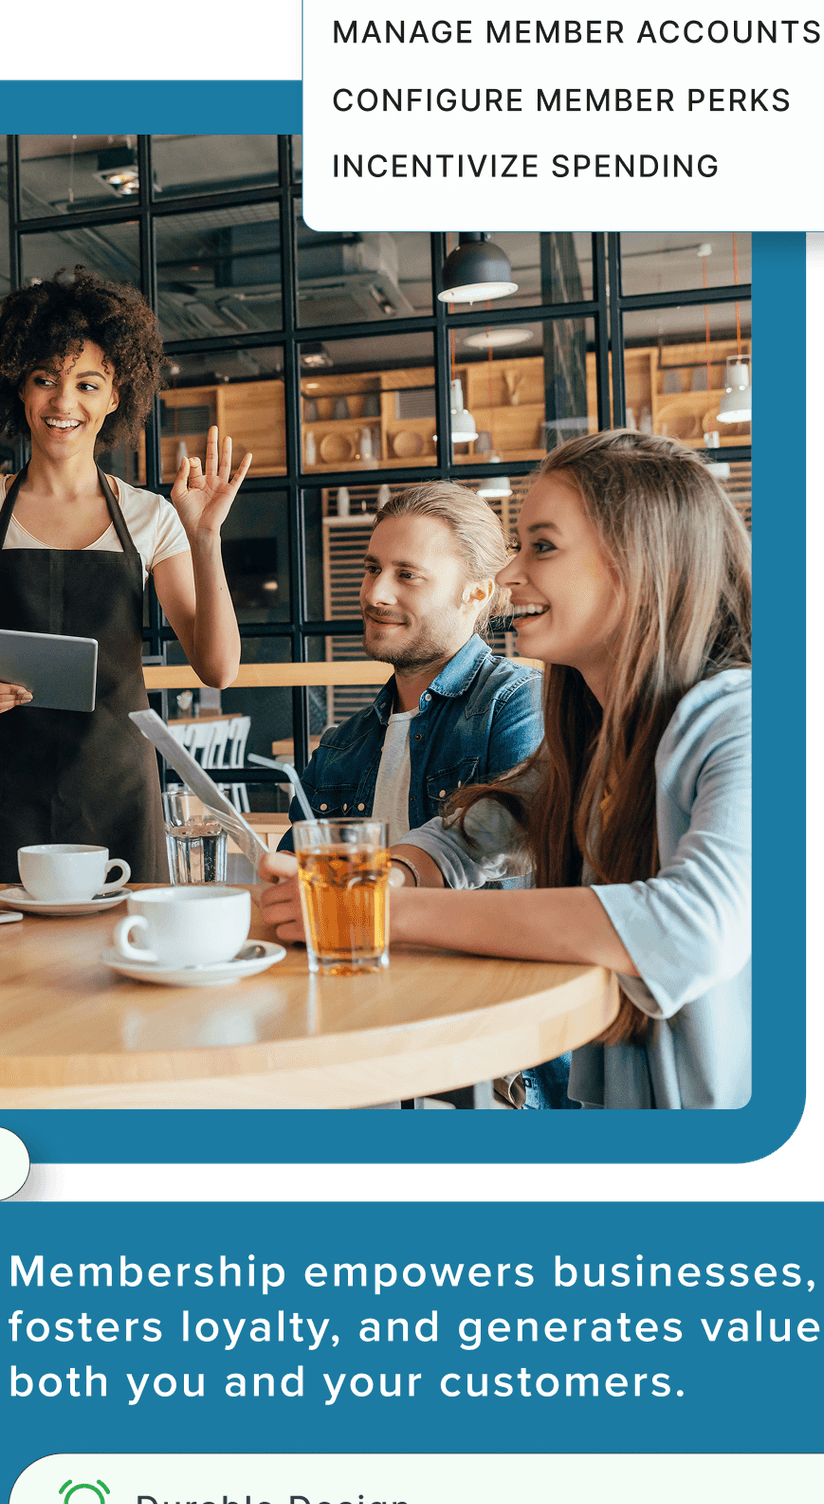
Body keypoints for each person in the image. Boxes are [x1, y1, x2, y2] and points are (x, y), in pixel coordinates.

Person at [259, 429, 751, 1110]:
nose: (511, 576)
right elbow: (473, 833)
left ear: (641, 564)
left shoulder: (748, 722)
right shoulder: (598, 732)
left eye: (541, 547)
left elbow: (692, 926)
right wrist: (381, 875)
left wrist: (376, 909)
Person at [0, 266, 247, 884]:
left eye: (87, 383)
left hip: (119, 781)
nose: (63, 402)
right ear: (19, 387)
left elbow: (219, 669)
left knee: (119, 962)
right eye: (45, 379)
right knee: (9, 959)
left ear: (116, 395)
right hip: (8, 784)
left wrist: (205, 539)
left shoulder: (150, 516)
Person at [283, 481, 540, 845]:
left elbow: (518, 845)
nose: (375, 594)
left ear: (477, 593)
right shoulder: (339, 748)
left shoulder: (517, 703)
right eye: (373, 568)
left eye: (407, 575)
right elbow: (297, 879)